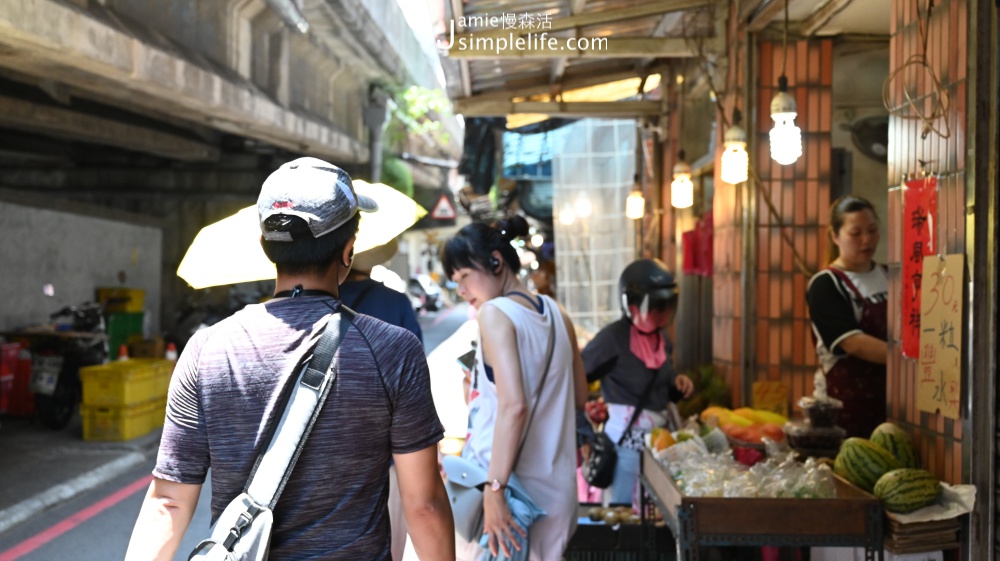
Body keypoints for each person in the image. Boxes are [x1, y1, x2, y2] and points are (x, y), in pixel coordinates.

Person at [124, 157, 454, 561]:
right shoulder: (393, 349)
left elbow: (168, 503)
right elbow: (423, 505)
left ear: (267, 248)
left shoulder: (206, 350)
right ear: (348, 251)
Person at [442, 215, 588, 561]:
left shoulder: (495, 314)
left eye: (464, 276)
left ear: (496, 261)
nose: (461, 291)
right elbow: (579, 397)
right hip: (557, 494)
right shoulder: (558, 314)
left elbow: (515, 406)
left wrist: (495, 491)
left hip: (508, 497)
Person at [581, 258, 695, 506]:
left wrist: (679, 384)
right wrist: (582, 430)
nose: (660, 313)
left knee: (654, 515)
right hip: (624, 446)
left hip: (658, 446)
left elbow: (661, 387)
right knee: (623, 515)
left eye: (665, 306)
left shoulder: (662, 339)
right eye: (653, 306)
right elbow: (576, 375)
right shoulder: (612, 338)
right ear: (630, 304)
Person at [339, 237, 422, 561]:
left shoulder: (308, 303)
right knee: (388, 548)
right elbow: (416, 379)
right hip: (387, 448)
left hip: (321, 451)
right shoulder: (396, 303)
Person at [806, 195, 888, 438]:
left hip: (891, 404)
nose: (867, 240)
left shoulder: (890, 275)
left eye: (872, 230)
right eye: (855, 233)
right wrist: (908, 361)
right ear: (835, 236)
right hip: (845, 409)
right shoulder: (825, 284)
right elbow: (853, 343)